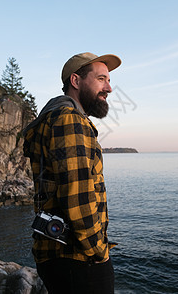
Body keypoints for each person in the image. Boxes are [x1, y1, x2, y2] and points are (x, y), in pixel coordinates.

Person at [23, 52, 121, 293]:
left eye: (108, 80)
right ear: (76, 81)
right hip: (77, 259)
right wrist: (98, 251)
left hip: (57, 255)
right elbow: (77, 195)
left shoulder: (52, 115)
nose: (108, 87)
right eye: (101, 79)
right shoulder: (69, 120)